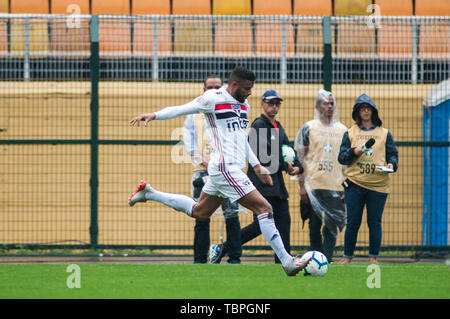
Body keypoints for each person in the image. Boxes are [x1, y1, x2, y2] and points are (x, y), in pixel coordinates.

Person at [128, 66, 311, 276]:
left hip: (226, 168)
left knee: (200, 212)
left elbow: (242, 138)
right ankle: (287, 261)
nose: (250, 92)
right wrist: (154, 115)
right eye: (247, 88)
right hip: (225, 168)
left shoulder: (244, 106)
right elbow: (181, 108)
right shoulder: (212, 99)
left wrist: (257, 165)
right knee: (265, 209)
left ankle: (149, 193)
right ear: (234, 85)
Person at [209, 89, 302, 264]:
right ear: (262, 104)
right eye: (270, 103)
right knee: (260, 224)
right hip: (261, 183)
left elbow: (288, 150)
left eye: (277, 103)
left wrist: (297, 167)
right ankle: (223, 248)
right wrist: (285, 166)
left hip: (278, 186)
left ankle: (284, 261)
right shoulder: (258, 124)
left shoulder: (278, 126)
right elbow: (264, 156)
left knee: (283, 223)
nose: (274, 107)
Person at [183, 74, 242, 264]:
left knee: (232, 215)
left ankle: (234, 258)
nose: (213, 90)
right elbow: (189, 145)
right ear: (203, 90)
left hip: (227, 171)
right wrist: (207, 164)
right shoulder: (194, 115)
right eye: (209, 87)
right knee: (201, 216)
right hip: (202, 173)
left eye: (217, 87)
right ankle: (199, 260)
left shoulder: (229, 110)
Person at [338, 94, 398, 264]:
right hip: (354, 184)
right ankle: (347, 257)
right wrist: (354, 152)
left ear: (373, 111)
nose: (365, 111)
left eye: (368, 108)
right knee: (353, 222)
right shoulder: (350, 132)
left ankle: (373, 257)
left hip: (378, 185)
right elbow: (342, 157)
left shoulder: (385, 133)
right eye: (362, 108)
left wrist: (392, 164)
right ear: (357, 112)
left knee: (374, 222)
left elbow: (392, 154)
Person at [294, 89, 347, 264]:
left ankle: (327, 258)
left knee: (331, 227)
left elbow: (347, 161)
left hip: (336, 185)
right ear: (317, 106)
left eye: (332, 103)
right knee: (314, 226)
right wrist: (302, 187)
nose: (330, 106)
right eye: (326, 103)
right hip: (314, 185)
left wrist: (347, 186)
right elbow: (300, 159)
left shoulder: (342, 130)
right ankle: (316, 258)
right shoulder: (309, 127)